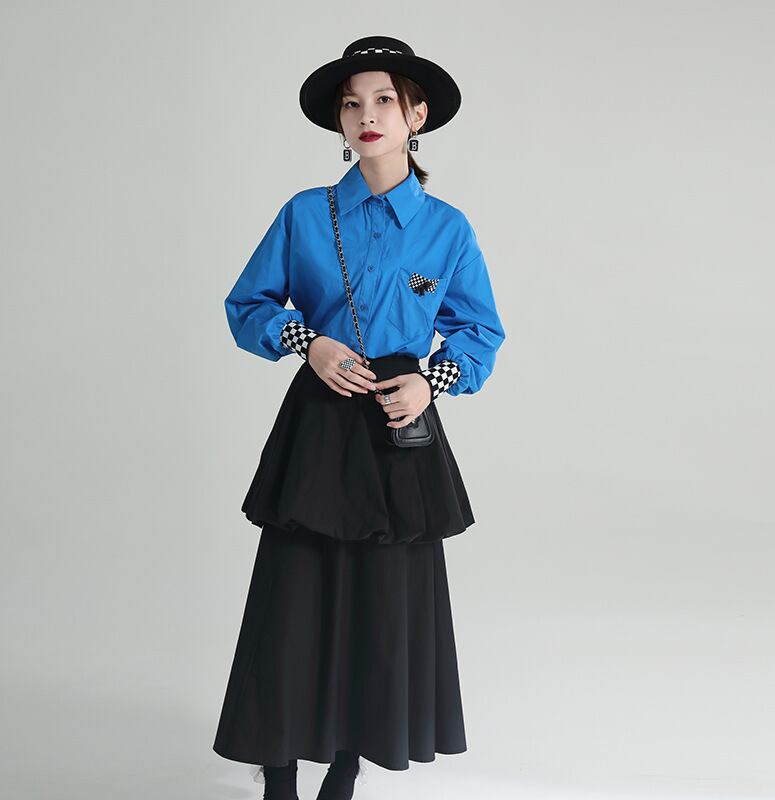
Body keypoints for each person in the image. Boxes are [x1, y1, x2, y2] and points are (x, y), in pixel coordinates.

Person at [212, 35, 506, 800]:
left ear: (417, 115)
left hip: (398, 430)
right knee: (291, 598)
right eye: (351, 104)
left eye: (383, 100)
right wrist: (305, 342)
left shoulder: (446, 229)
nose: (365, 115)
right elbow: (247, 305)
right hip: (319, 420)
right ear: (339, 122)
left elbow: (480, 332)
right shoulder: (306, 214)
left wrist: (432, 383)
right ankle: (279, 771)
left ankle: (347, 764)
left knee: (384, 604)